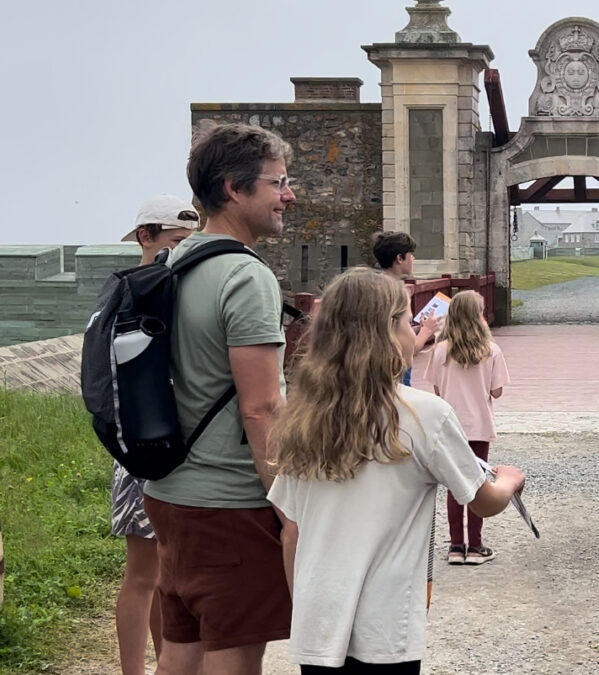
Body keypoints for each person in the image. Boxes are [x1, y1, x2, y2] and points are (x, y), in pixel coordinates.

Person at [268, 268, 525, 674]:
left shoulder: (306, 415)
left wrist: (303, 606)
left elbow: (292, 531)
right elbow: (483, 501)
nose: (416, 331)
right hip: (385, 622)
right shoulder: (425, 414)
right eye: (410, 320)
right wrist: (509, 480)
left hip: (318, 617)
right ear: (386, 331)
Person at [142, 122, 297, 675]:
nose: (289, 195)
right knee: (233, 655)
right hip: (229, 503)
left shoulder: (170, 264)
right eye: (278, 182)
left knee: (180, 650)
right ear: (234, 188)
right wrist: (288, 502)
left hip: (168, 489)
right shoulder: (244, 276)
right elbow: (262, 407)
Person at [113, 195, 199, 675]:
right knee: (144, 573)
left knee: (164, 573)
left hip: (153, 440)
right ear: (146, 237)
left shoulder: (154, 290)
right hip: (141, 446)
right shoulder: (138, 293)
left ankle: (166, 663)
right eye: (175, 241)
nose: (181, 252)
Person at [423, 290, 510, 565]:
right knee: (477, 484)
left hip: (450, 425)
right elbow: (496, 392)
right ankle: (475, 545)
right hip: (479, 424)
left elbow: (437, 390)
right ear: (479, 316)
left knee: (453, 486)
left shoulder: (439, 352)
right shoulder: (491, 350)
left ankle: (455, 545)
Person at [373, 231, 439, 385]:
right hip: (395, 371)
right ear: (399, 258)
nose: (413, 259)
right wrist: (427, 330)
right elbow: (406, 346)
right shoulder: (397, 293)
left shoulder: (373, 287)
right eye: (411, 255)